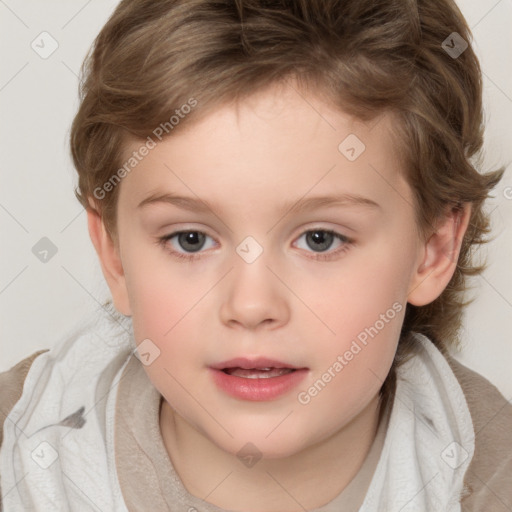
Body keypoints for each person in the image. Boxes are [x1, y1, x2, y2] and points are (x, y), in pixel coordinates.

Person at [1, 0, 511, 510]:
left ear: (433, 249)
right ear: (113, 254)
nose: (250, 305)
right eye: (191, 239)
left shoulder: (490, 477)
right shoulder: (18, 447)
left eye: (320, 239)